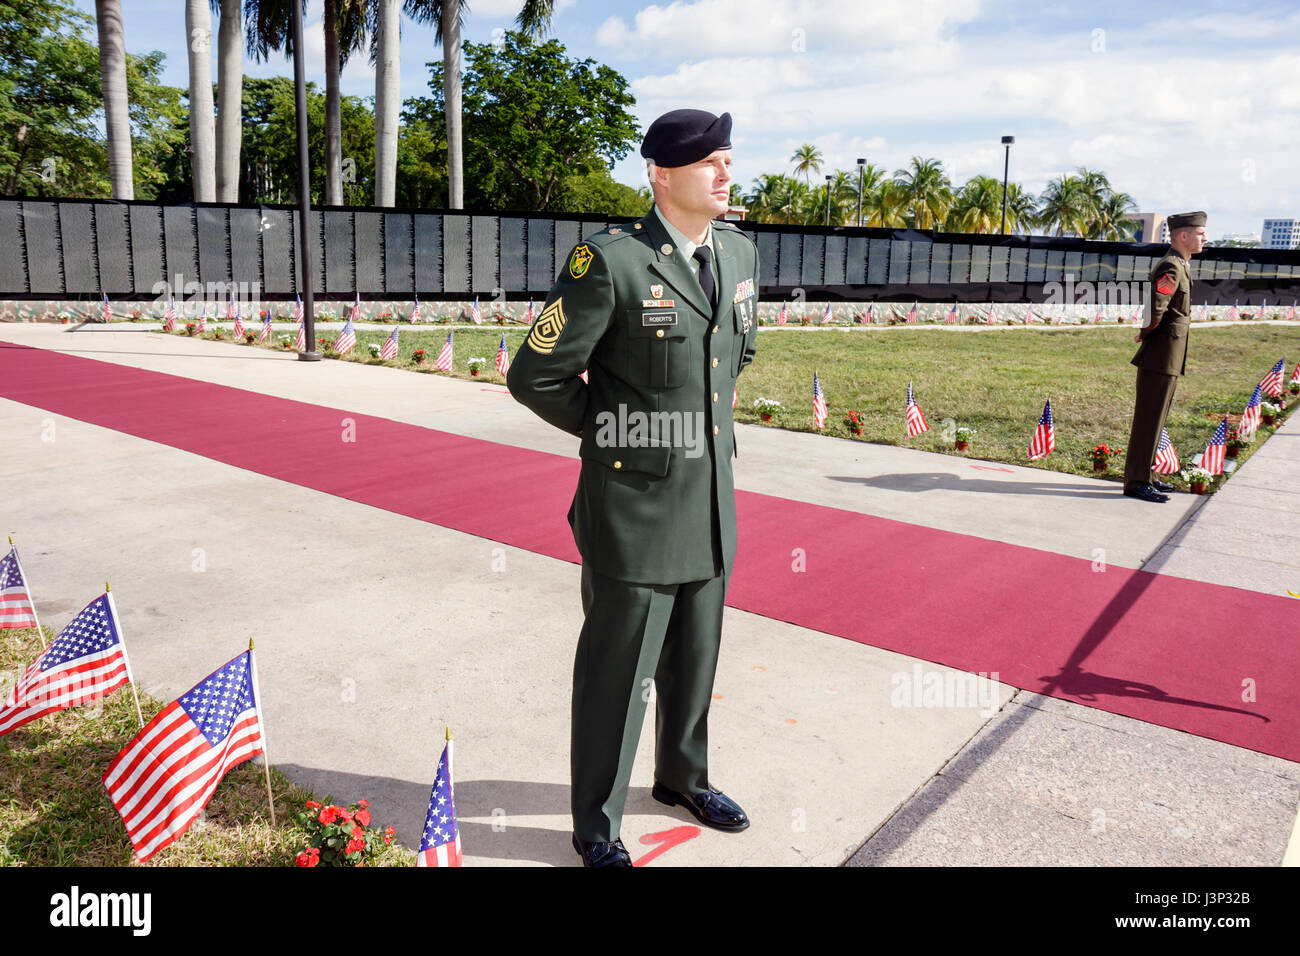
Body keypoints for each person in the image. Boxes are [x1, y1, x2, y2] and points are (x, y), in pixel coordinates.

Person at [506, 108, 760, 867]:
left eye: (727, 160)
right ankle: (596, 822)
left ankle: (683, 778)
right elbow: (535, 375)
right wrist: (617, 432)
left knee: (696, 658)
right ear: (659, 173)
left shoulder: (741, 254)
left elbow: (731, 361)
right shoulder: (610, 263)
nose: (725, 174)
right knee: (620, 677)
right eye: (708, 162)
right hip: (635, 509)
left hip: (710, 504)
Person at [1123, 210, 1207, 502]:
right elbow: (1156, 306)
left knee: (1157, 420)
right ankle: (1136, 481)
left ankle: (1146, 476)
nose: (1204, 237)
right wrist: (1145, 333)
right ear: (1183, 236)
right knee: (1148, 419)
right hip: (1160, 354)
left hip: (1169, 355)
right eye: (1199, 233)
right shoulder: (1171, 266)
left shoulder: (1182, 264)